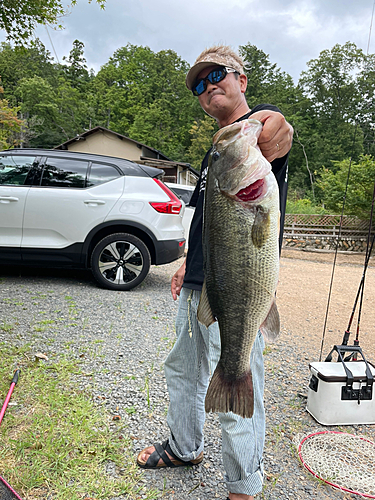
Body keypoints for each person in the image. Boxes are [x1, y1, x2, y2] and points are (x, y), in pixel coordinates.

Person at [137, 45, 293, 500]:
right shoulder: (219, 154)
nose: (208, 88)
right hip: (199, 284)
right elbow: (208, 218)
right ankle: (184, 447)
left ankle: (243, 485)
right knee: (181, 371)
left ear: (242, 80)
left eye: (217, 75)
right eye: (199, 86)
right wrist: (188, 261)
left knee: (238, 378)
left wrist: (271, 121)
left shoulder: (255, 144)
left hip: (241, 289)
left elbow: (274, 131)